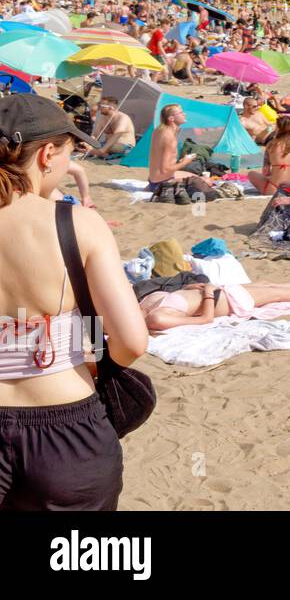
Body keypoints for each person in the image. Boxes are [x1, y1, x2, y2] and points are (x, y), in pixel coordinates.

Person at [0, 94, 148, 510]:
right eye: (68, 152)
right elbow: (131, 342)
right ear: (47, 153)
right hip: (65, 428)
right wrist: (97, 356)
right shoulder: (75, 222)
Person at [139, 270, 290, 332]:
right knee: (276, 293)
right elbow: (205, 319)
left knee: (266, 285)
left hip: (220, 293)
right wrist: (208, 292)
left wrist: (188, 288)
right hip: (227, 302)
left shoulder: (140, 306)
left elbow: (182, 301)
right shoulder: (157, 319)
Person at [147, 103, 212, 194]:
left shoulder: (159, 130)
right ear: (171, 119)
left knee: (201, 177)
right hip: (163, 183)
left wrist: (180, 162)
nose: (184, 114)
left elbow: (161, 161)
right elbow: (165, 169)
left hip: (154, 179)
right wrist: (185, 162)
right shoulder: (169, 137)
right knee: (206, 182)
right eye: (181, 113)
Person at [248, 117, 290, 196]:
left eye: (276, 127)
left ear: (279, 129)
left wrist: (276, 173)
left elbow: (266, 172)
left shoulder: (271, 145)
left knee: (251, 174)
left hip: (274, 189)